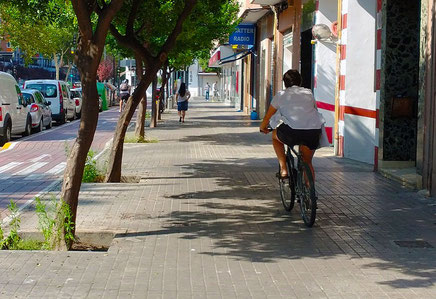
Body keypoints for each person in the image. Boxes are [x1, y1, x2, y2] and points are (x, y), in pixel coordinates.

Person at [260, 69, 323, 181]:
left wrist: (263, 127)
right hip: (312, 132)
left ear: (285, 83)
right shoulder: (309, 93)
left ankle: (283, 169)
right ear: (300, 81)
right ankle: (310, 194)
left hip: (291, 133)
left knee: (275, 136)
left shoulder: (281, 95)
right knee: (307, 163)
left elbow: (268, 115)